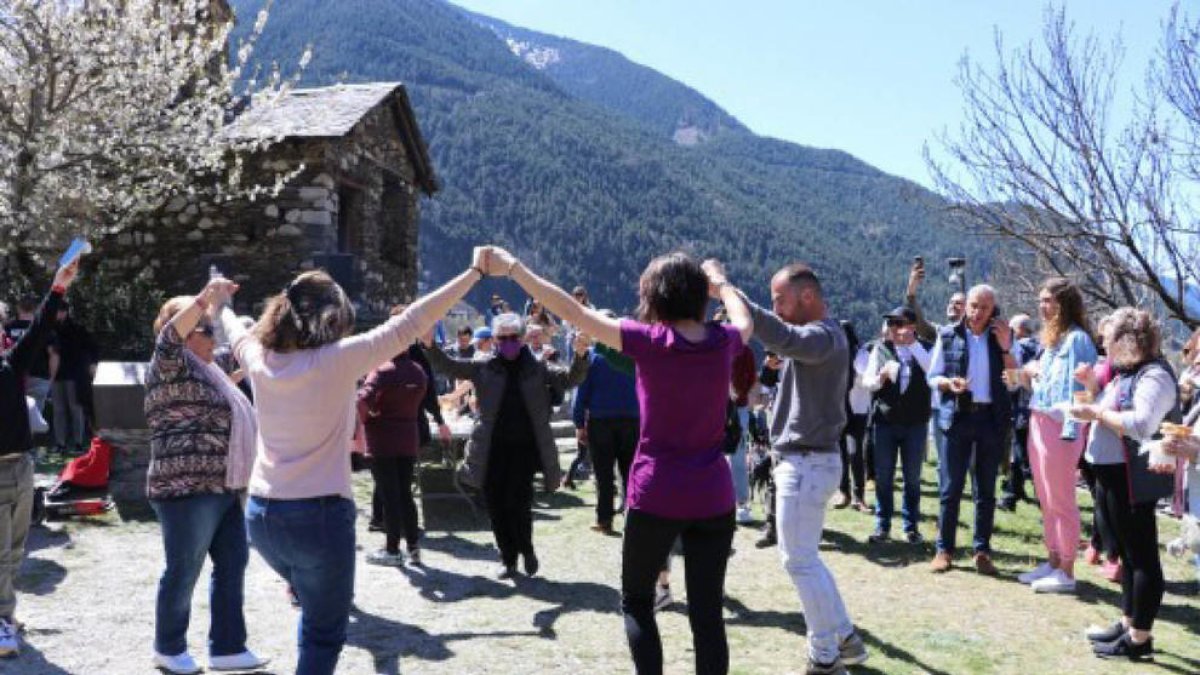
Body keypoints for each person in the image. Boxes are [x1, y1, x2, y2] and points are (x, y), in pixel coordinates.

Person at [212, 253, 487, 675]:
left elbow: (234, 330)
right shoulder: (339, 360)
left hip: (263, 517)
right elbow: (413, 321)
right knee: (324, 633)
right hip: (320, 517)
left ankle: (300, 590)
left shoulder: (259, 359)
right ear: (333, 318)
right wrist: (474, 273)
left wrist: (219, 298)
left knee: (312, 606)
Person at [489, 247, 752, 675]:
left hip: (656, 494)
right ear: (698, 296)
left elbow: (567, 307)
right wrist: (720, 283)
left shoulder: (648, 342)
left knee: (636, 601)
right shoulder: (723, 342)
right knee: (707, 616)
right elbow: (745, 319)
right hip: (712, 495)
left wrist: (515, 269)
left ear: (654, 296)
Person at [703, 259, 867, 675]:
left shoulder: (822, 338)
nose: (776, 307)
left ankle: (824, 655)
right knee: (807, 559)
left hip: (805, 462)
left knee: (800, 562)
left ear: (807, 296)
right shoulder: (824, 338)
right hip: (810, 461)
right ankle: (844, 637)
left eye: (780, 299)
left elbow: (779, 333)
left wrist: (725, 287)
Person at [144, 288, 268, 675]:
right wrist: (203, 299)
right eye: (205, 329)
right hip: (185, 489)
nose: (214, 337)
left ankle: (228, 648)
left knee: (233, 563)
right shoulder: (168, 361)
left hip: (223, 485)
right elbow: (171, 336)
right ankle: (168, 647)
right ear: (180, 331)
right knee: (184, 568)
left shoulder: (207, 370)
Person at [426, 312, 589, 579]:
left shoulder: (538, 367)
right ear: (495, 339)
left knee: (519, 502)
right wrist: (429, 345)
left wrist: (581, 356)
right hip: (491, 449)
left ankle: (526, 549)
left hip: (524, 449)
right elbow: (451, 366)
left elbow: (570, 378)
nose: (508, 342)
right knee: (495, 503)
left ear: (522, 338)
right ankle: (508, 558)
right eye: (503, 338)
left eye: (513, 337)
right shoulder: (484, 366)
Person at [1070, 308, 1176, 661]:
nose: (1103, 343)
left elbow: (1141, 423)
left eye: (1109, 337)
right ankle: (1129, 622)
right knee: (1127, 557)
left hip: (1132, 478)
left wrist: (1097, 413)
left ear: (1129, 341)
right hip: (1111, 473)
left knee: (1142, 558)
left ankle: (1140, 640)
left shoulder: (1155, 376)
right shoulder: (1129, 373)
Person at [0, 261, 77, 659]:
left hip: (22, 467)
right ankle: (1, 620)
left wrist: (58, 288)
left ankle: (5, 616)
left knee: (14, 550)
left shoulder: (9, 366)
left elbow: (38, 329)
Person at [1013, 278, 1097, 593]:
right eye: (1041, 299)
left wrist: (1071, 430)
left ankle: (1067, 571)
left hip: (1060, 426)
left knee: (1062, 500)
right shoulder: (1053, 340)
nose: (1042, 305)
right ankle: (1052, 562)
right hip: (1039, 419)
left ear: (1064, 303)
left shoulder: (1078, 340)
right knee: (1046, 499)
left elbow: (1082, 392)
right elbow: (1045, 387)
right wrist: (1029, 375)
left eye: (1048, 300)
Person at [926, 284, 1016, 575]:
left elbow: (1014, 380)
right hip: (957, 416)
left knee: (986, 490)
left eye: (984, 308)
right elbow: (932, 375)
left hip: (991, 419)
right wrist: (947, 384)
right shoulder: (948, 334)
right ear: (965, 306)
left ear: (994, 311)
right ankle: (945, 550)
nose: (977, 313)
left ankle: (982, 551)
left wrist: (1005, 347)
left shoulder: (1001, 338)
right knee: (951, 488)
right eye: (973, 306)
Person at [862, 306, 933, 545]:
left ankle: (910, 527)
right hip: (886, 422)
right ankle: (882, 526)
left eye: (898, 323)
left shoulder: (925, 347)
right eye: (891, 324)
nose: (893, 328)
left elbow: (932, 371)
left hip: (915, 423)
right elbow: (867, 382)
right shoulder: (881, 349)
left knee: (912, 478)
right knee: (884, 477)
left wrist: (912, 344)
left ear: (912, 326)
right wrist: (880, 378)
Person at [572, 326, 639, 535]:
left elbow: (581, 391)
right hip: (633, 421)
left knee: (603, 474)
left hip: (601, 422)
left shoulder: (593, 357)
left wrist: (579, 423)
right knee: (632, 474)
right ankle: (635, 520)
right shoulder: (634, 356)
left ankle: (605, 520)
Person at [999, 313, 1040, 511]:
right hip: (1038, 411)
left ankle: (1037, 499)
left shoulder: (1020, 349)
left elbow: (1013, 379)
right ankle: (1012, 494)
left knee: (1022, 456)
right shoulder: (1042, 348)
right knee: (1024, 454)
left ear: (1019, 331)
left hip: (1021, 410)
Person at [49, 301, 98, 455]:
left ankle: (78, 442)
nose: (59, 314)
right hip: (57, 376)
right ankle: (60, 443)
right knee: (58, 410)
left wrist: (89, 367)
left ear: (66, 312)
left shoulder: (78, 329)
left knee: (76, 409)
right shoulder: (51, 329)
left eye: (61, 311)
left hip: (75, 375)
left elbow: (91, 349)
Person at [4, 295, 58, 419]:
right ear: (36, 309)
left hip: (12, 378)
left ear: (18, 308)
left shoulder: (7, 328)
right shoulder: (44, 330)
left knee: (11, 419)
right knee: (33, 420)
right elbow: (53, 355)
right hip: (39, 377)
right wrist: (51, 378)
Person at [837, 320, 871, 513]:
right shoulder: (836, 355)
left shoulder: (861, 354)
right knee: (840, 453)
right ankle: (844, 492)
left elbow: (864, 375)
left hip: (857, 409)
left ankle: (859, 496)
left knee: (854, 452)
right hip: (838, 409)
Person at [755, 351, 783, 547]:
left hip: (805, 428)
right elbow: (762, 393)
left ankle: (802, 529)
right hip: (779, 428)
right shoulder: (772, 367)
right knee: (775, 477)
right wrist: (768, 368)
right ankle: (772, 527)